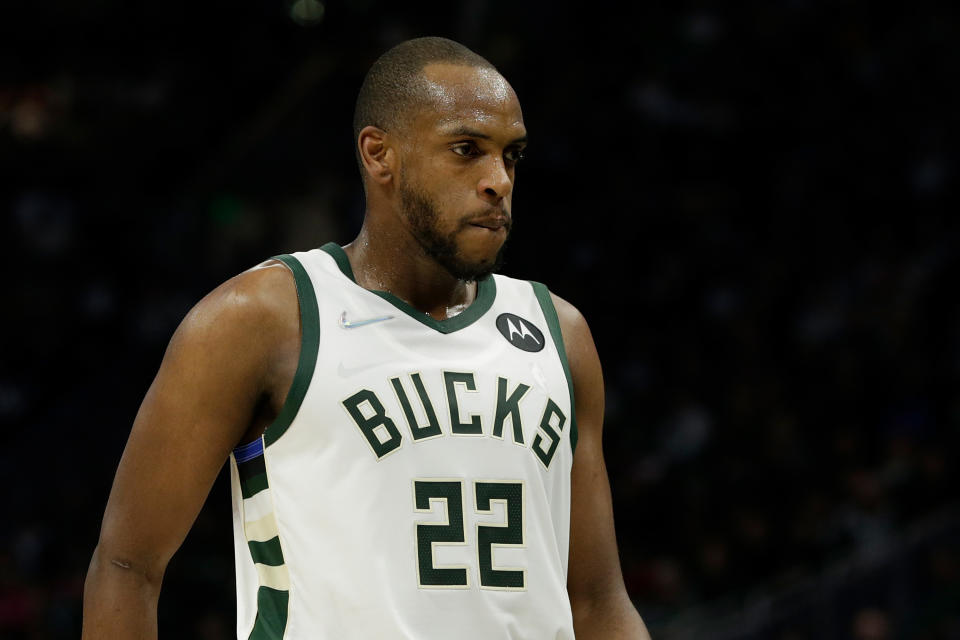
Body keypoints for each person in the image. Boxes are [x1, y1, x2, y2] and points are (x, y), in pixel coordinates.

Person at [82, 36, 650, 639]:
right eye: (467, 149)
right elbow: (127, 565)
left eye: (511, 156)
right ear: (380, 154)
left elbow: (597, 601)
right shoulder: (262, 318)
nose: (498, 181)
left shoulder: (559, 332)